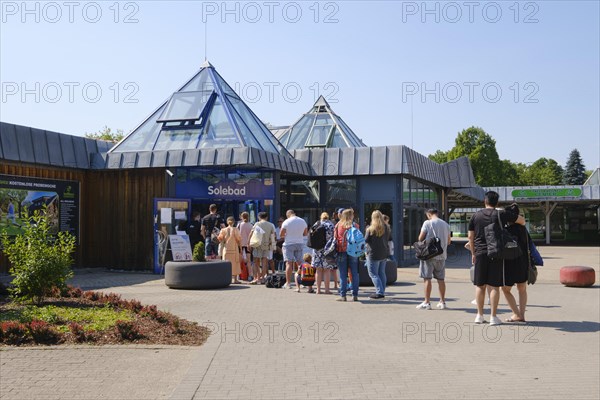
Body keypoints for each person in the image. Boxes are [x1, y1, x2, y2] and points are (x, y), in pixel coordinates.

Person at [468, 191, 525, 325]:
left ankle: (479, 315)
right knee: (494, 286)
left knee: (480, 285)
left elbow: (470, 236)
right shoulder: (501, 214)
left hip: (480, 253)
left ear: (485, 201)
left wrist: (473, 253)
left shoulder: (475, 216)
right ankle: (493, 317)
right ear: (497, 202)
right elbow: (521, 220)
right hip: (497, 253)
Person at [415, 209, 452, 310]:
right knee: (441, 279)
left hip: (429, 256)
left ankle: (427, 302)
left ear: (429, 214)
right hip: (442, 255)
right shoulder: (445, 224)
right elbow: (449, 241)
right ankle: (442, 302)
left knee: (427, 278)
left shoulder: (427, 223)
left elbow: (420, 238)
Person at [502, 203, 529, 322]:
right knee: (522, 288)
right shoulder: (524, 230)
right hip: (523, 262)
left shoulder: (505, 230)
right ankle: (522, 315)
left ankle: (516, 314)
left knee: (506, 289)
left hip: (510, 263)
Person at [335, 208, 360, 302]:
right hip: (353, 251)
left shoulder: (338, 225)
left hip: (341, 251)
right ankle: (355, 295)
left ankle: (343, 295)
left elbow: (335, 238)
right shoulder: (355, 225)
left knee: (342, 274)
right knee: (354, 273)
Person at [365, 210, 391, 299]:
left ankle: (380, 292)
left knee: (373, 274)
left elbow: (366, 240)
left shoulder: (370, 229)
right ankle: (382, 290)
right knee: (382, 273)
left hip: (373, 254)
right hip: (383, 253)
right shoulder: (386, 227)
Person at [280, 210, 308, 289]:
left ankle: (288, 283)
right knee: (300, 264)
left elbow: (281, 234)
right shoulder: (302, 221)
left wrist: (287, 235)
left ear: (288, 215)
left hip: (288, 244)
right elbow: (305, 233)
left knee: (289, 263)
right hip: (299, 243)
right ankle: (302, 282)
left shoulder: (286, 222)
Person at [312, 212, 336, 294]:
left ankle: (318, 290)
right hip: (327, 250)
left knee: (318, 270)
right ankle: (327, 290)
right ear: (328, 217)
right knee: (327, 270)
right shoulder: (331, 225)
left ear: (321, 217)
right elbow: (333, 238)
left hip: (317, 250)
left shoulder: (317, 224)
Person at [249, 212, 275, 284]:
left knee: (255, 262)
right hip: (266, 245)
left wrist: (249, 243)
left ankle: (256, 278)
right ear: (267, 217)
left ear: (259, 217)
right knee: (264, 262)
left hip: (257, 244)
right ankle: (263, 278)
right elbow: (273, 236)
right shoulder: (270, 225)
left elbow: (251, 234)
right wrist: (273, 246)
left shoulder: (257, 224)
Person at [218, 216, 242, 284]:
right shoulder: (236, 229)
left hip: (226, 249)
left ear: (227, 222)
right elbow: (239, 239)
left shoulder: (223, 230)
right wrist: (240, 249)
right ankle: (235, 279)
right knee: (235, 264)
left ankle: (225, 279)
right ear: (234, 222)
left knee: (225, 264)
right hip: (234, 249)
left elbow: (220, 239)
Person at [238, 212, 253, 281]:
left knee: (239, 261)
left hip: (241, 244)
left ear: (241, 217)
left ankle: (239, 275)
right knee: (249, 261)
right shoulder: (251, 225)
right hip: (248, 244)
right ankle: (250, 275)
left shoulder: (239, 225)